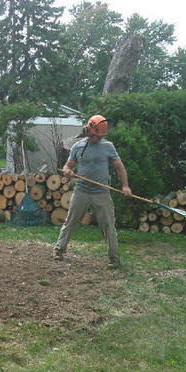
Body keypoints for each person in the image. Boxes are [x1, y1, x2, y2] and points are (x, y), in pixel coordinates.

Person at [52, 115, 131, 269]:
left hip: (102, 192)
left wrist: (125, 186)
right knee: (71, 222)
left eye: (102, 136)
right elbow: (68, 166)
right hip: (81, 191)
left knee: (108, 225)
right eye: (97, 136)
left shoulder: (108, 147)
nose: (99, 139)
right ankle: (58, 250)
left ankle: (114, 259)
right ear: (89, 131)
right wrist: (68, 171)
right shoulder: (78, 147)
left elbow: (120, 167)